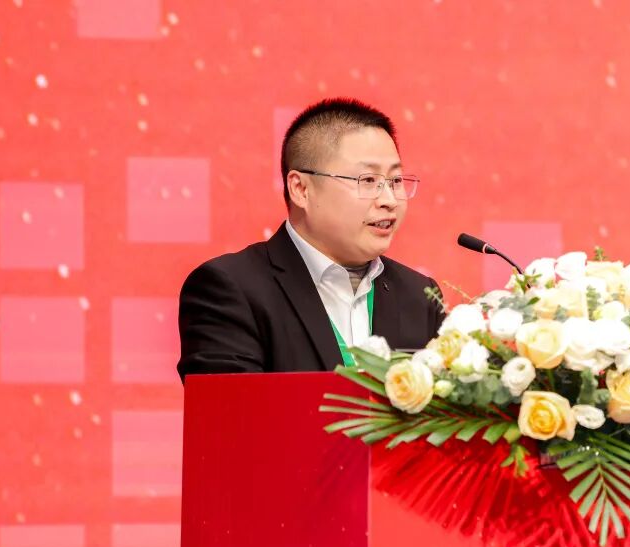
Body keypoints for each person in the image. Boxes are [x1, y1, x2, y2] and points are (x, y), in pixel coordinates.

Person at [177, 98, 445, 381]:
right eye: (367, 181)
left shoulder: (420, 296)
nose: (389, 200)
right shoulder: (231, 290)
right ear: (301, 189)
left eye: (395, 181)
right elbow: (231, 407)